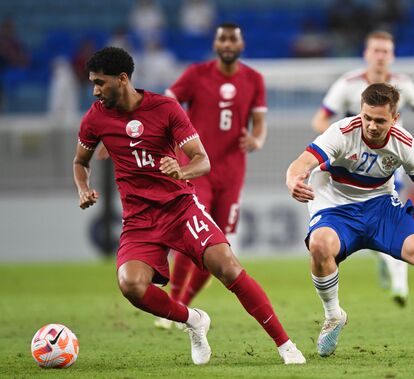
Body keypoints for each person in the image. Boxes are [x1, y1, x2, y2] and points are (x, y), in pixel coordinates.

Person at [73, 46, 305, 365]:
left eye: (100, 82)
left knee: (229, 269)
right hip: (139, 222)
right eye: (93, 83)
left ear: (122, 79)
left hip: (181, 210)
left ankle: (286, 346)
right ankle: (193, 320)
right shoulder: (96, 117)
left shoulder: (165, 108)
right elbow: (80, 161)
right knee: (130, 285)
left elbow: (202, 161)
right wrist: (83, 187)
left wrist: (180, 170)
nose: (96, 90)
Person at [287, 82, 414, 357]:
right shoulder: (341, 132)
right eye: (367, 118)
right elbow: (300, 164)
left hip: (381, 208)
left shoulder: (405, 144)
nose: (372, 126)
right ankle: (334, 315)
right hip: (336, 207)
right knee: (320, 245)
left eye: (380, 120)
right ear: (360, 112)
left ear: (395, 119)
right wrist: (293, 180)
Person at [311, 30, 414, 307]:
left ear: (392, 55)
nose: (380, 56)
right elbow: (320, 120)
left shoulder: (403, 84)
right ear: (366, 53)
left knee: (394, 213)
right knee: (371, 221)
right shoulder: (348, 84)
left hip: (391, 162)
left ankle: (399, 283)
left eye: (385, 51)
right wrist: (340, 141)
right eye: (376, 50)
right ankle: (384, 259)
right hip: (353, 165)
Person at [154, 22, 268, 330]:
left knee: (218, 243)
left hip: (232, 173)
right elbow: (166, 104)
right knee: (192, 232)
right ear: (215, 44)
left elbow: (259, 123)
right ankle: (174, 306)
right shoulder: (195, 74)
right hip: (195, 168)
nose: (228, 44)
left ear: (241, 45)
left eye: (233, 38)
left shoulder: (254, 79)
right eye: (223, 39)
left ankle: (182, 306)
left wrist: (256, 140)